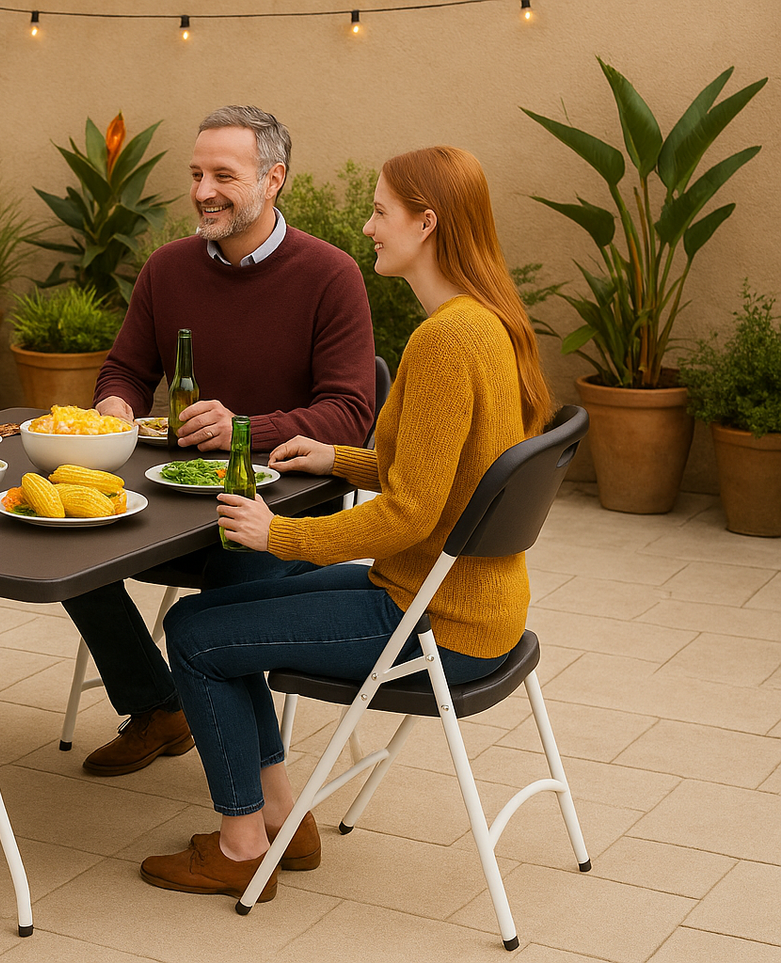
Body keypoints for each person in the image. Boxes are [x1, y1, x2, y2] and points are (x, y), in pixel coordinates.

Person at [139, 145, 554, 903]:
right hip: (472, 606)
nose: (367, 227)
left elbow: (410, 513)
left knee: (196, 637)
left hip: (430, 619)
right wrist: (336, 458)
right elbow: (446, 471)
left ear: (426, 224)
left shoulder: (444, 340)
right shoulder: (488, 323)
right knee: (218, 609)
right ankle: (280, 817)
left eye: (380, 211)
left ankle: (239, 850)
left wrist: (280, 536)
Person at [64, 105, 377, 778]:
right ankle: (156, 706)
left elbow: (350, 414)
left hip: (282, 507)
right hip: (171, 491)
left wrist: (243, 428)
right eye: (196, 173)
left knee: (229, 591)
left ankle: (257, 792)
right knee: (61, 540)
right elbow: (124, 367)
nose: (202, 190)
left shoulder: (330, 275)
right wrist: (114, 403)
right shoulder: (167, 268)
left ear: (273, 180)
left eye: (222, 175)